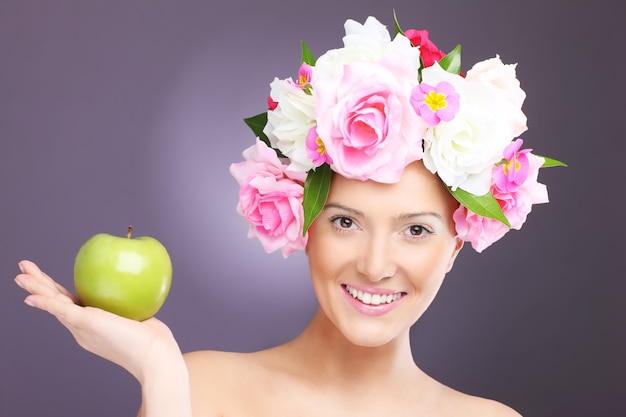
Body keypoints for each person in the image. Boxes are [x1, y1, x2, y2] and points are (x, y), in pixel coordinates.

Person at [14, 14, 564, 416]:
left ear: (456, 246)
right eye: (345, 222)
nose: (375, 267)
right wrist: (159, 368)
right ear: (305, 224)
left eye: (415, 230)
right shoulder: (198, 388)